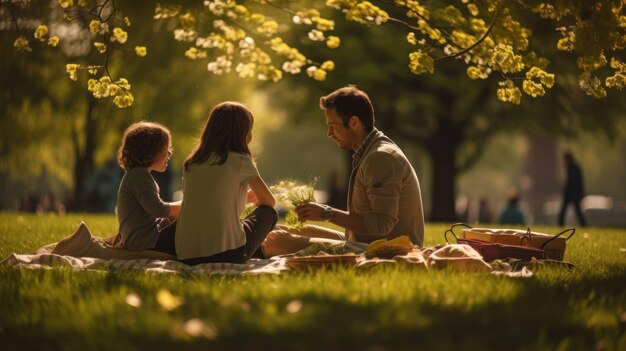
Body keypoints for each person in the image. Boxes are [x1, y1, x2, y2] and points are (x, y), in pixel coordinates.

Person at [262, 86, 425, 257]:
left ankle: (240, 253)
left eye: (333, 126)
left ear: (354, 123)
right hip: (366, 242)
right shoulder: (371, 152)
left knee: (275, 240)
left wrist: (327, 213)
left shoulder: (381, 157)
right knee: (284, 231)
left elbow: (381, 224)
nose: (329, 134)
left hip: (388, 250)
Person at [175, 102, 278, 265]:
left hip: (186, 255)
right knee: (268, 212)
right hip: (227, 255)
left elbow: (209, 200)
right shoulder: (240, 160)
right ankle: (247, 251)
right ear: (243, 132)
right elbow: (269, 202)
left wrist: (245, 198)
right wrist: (257, 200)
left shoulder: (192, 162)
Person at [115, 121, 181, 255]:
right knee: (192, 224)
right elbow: (158, 209)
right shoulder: (139, 176)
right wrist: (186, 208)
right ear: (150, 151)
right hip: (143, 241)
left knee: (184, 221)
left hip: (146, 238)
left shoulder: (139, 174)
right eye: (165, 148)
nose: (169, 153)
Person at [558, 150, 587, 226]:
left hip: (572, 194)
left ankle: (560, 225)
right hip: (572, 194)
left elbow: (574, 182)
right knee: (576, 212)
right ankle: (584, 225)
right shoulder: (573, 167)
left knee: (566, 212)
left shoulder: (572, 168)